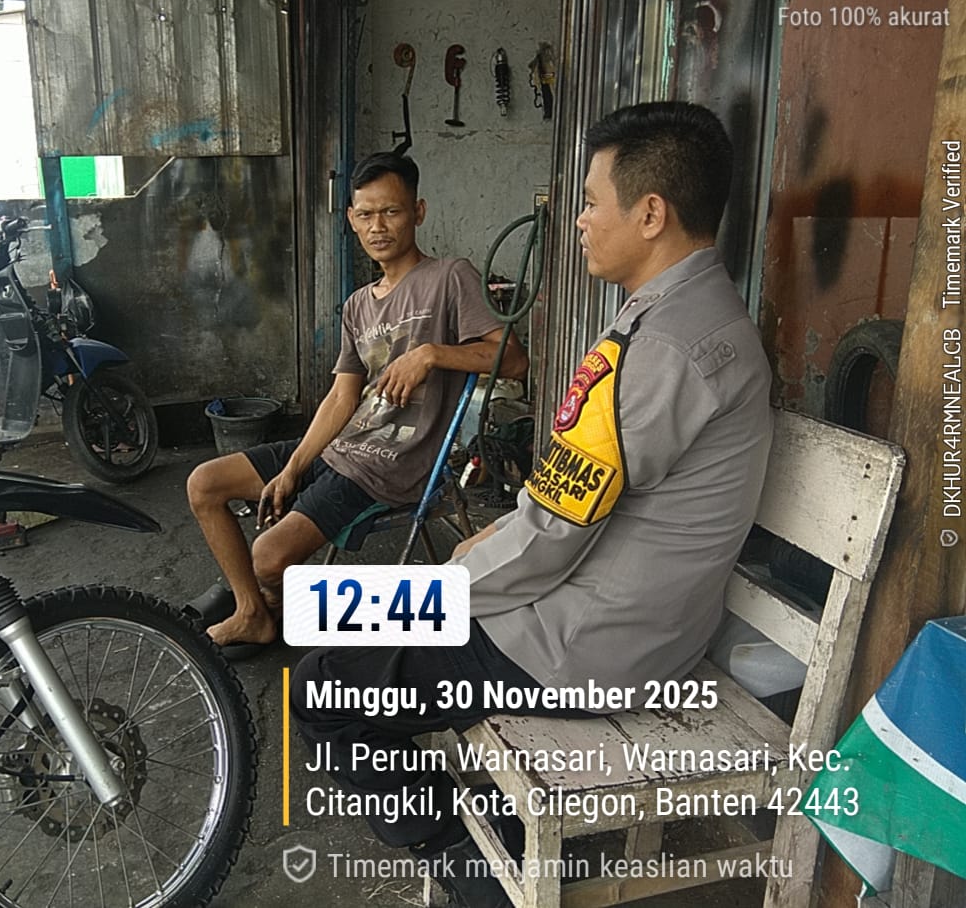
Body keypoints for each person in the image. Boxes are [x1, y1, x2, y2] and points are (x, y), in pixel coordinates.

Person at [290, 102, 772, 906]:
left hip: (584, 644)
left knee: (321, 686)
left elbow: (552, 538)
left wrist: (442, 587)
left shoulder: (667, 347)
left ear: (651, 213)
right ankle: (490, 836)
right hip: (610, 614)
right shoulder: (681, 314)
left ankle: (485, 875)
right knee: (330, 612)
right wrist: (470, 558)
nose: (578, 221)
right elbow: (565, 505)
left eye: (590, 201)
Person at [186, 152, 528, 657]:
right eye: (366, 214)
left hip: (391, 466)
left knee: (268, 557)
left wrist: (431, 354)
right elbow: (343, 396)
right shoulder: (358, 305)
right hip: (342, 449)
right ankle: (253, 612)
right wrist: (293, 468)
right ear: (351, 218)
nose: (378, 226)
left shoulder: (449, 277)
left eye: (391, 212)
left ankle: (300, 608)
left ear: (418, 212)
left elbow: (514, 360)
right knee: (205, 484)